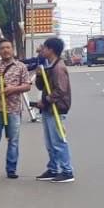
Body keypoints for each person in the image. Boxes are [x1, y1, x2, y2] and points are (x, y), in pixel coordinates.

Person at [0, 38, 32, 180]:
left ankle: (11, 169)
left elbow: (27, 85)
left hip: (13, 109)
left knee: (13, 140)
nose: (5, 50)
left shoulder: (21, 66)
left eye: (8, 47)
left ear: (12, 49)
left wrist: (13, 89)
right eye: (2, 48)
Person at [33, 37, 75, 184]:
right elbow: (41, 86)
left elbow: (60, 91)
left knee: (58, 141)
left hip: (56, 109)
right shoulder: (49, 65)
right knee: (50, 142)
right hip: (48, 109)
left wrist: (45, 101)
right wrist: (39, 75)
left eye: (44, 48)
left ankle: (67, 170)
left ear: (51, 49)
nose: (42, 50)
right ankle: (53, 168)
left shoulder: (59, 68)